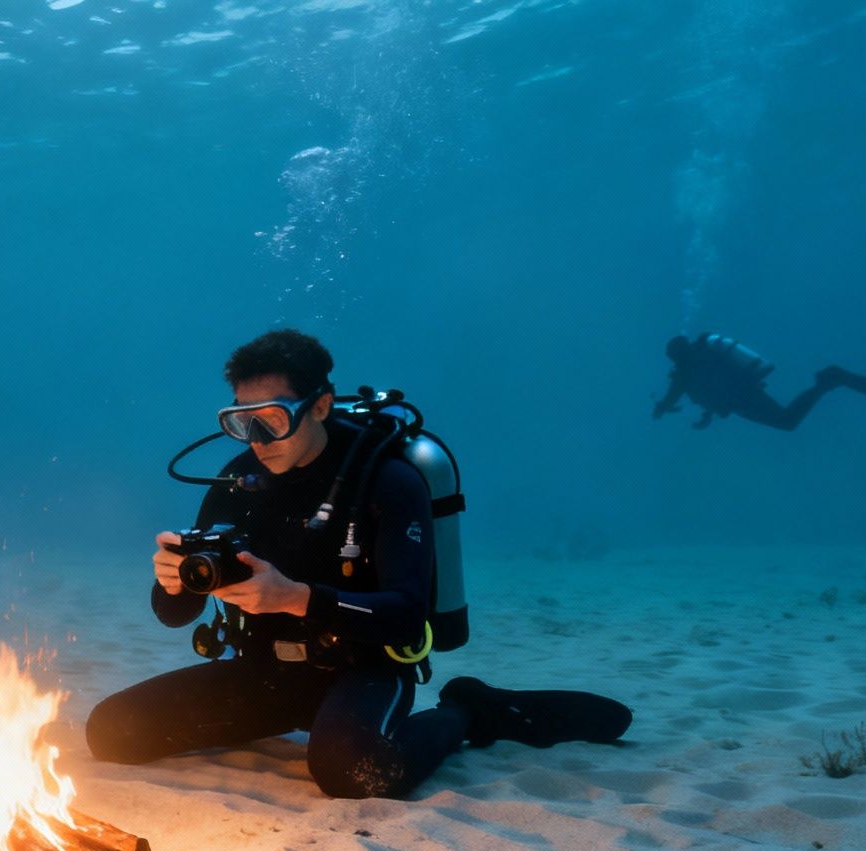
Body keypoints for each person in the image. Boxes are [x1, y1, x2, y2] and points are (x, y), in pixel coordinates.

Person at [85, 329, 632, 800]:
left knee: (354, 772)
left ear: (320, 405)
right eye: (241, 421)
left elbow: (404, 613)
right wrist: (176, 583)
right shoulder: (237, 480)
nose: (258, 440)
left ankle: (469, 711)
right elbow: (174, 615)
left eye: (273, 419)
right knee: (112, 732)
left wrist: (295, 597)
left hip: (365, 669)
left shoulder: (387, 480)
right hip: (266, 670)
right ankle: (302, 718)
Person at [654, 333, 866, 431]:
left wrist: (661, 408)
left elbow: (675, 396)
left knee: (787, 421)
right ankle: (826, 383)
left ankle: (828, 381)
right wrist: (707, 416)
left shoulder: (685, 372)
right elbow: (713, 388)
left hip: (742, 399)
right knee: (786, 421)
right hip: (743, 395)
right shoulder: (701, 358)